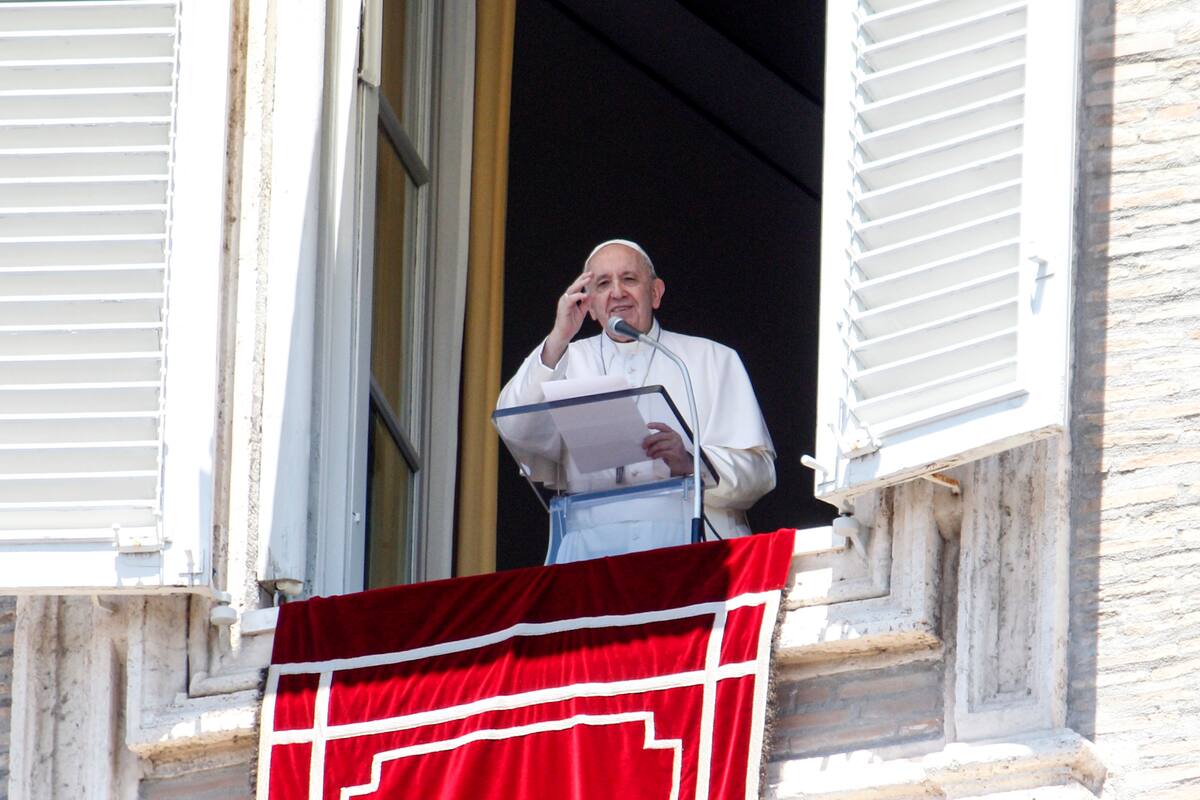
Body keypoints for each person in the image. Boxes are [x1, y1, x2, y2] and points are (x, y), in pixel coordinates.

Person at [496, 239, 775, 561]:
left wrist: (693, 461)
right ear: (589, 305)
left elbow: (760, 473)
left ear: (655, 293)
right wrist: (559, 337)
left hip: (689, 548)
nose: (617, 292)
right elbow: (515, 427)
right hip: (591, 556)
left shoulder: (711, 358)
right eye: (602, 284)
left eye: (629, 279)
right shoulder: (564, 360)